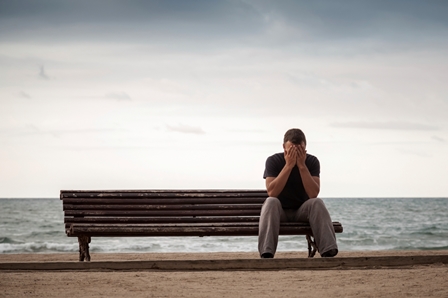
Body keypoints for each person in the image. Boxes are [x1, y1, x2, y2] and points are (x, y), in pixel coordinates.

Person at [258, 128, 338, 258]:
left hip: (302, 212)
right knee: (271, 201)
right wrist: (288, 166)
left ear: (305, 148)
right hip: (280, 212)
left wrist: (301, 166)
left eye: (299, 149)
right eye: (291, 149)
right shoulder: (273, 161)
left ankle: (328, 250)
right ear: (284, 147)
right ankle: (266, 253)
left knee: (317, 202)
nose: (295, 153)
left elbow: (313, 194)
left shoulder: (312, 162)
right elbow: (272, 192)